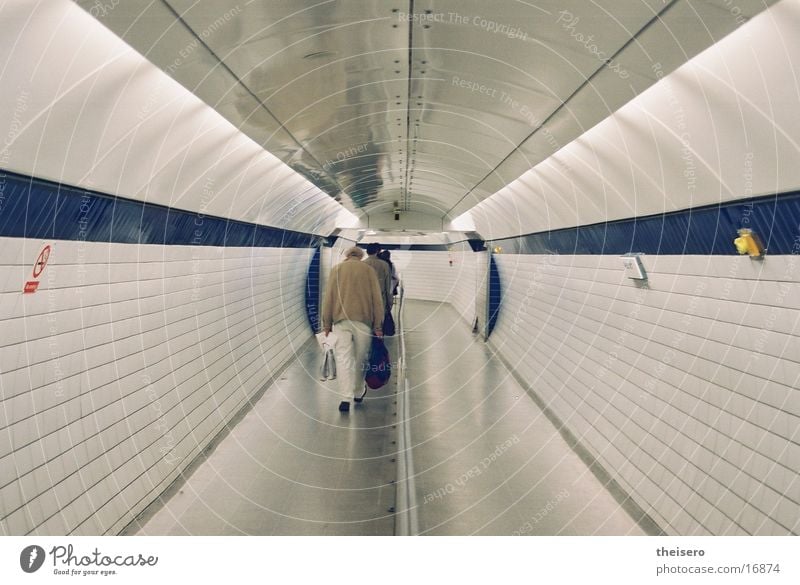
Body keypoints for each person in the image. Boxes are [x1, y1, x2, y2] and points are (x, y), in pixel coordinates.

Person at [322, 246, 384, 413]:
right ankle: (358, 391)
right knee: (361, 358)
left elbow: (329, 298)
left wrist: (326, 324)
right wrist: (378, 325)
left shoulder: (336, 270)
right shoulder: (368, 270)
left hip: (341, 321)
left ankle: (345, 398)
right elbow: (377, 300)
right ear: (361, 256)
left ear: (347, 255)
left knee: (343, 359)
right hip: (363, 322)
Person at [363, 242, 393, 312]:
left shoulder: (361, 264)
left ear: (367, 252)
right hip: (380, 298)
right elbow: (388, 285)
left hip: (365, 299)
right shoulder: (384, 265)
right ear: (378, 251)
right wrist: (389, 301)